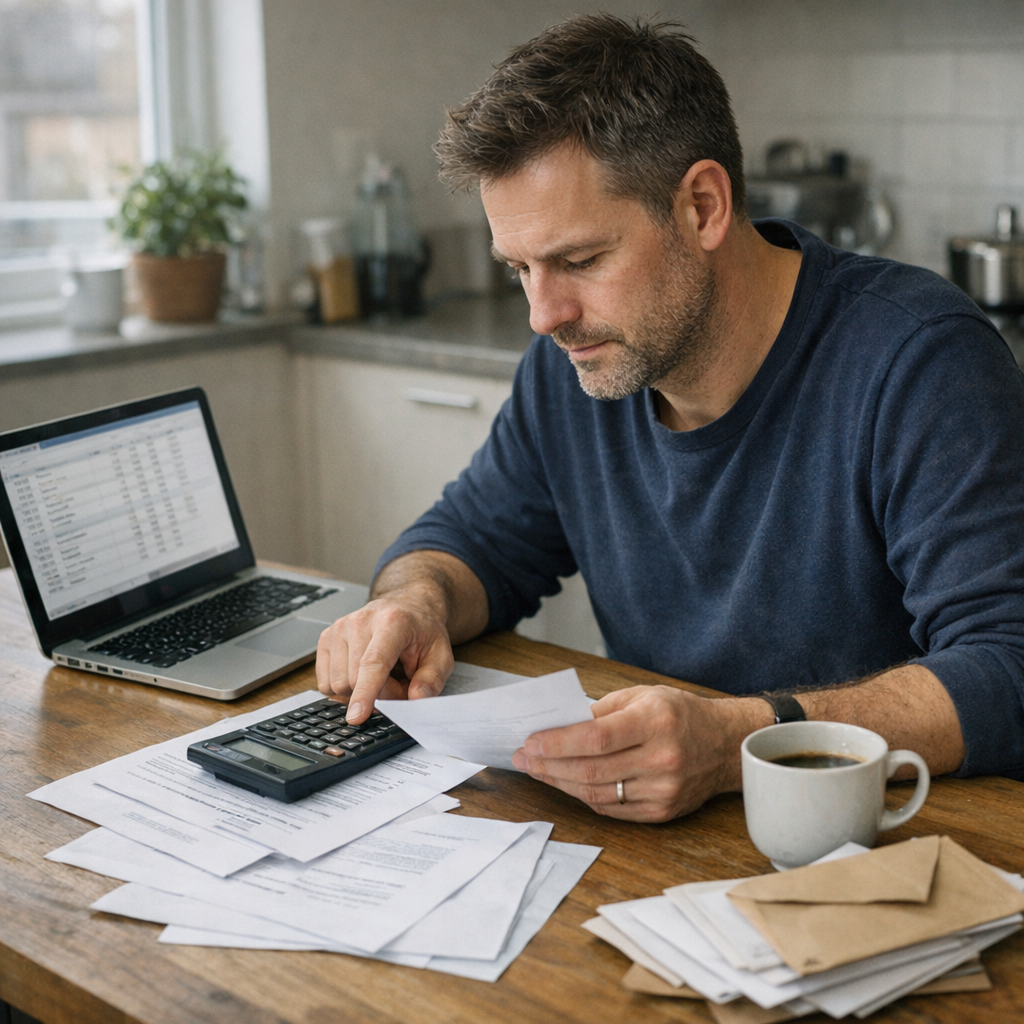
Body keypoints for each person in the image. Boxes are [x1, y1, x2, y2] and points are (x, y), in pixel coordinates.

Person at [316, 14, 1024, 820]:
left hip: (893, 845)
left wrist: (741, 741)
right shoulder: (574, 369)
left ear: (703, 206)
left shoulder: (920, 360)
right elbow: (468, 541)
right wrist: (415, 604)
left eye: (579, 260)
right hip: (653, 849)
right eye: (519, 268)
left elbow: (1009, 667)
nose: (543, 314)